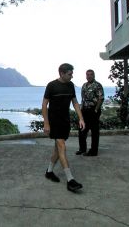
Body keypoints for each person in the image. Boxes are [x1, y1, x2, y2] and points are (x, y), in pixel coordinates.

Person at [42, 63, 85, 192]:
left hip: (65, 121)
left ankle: (49, 171)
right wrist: (46, 123)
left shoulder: (71, 85)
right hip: (54, 122)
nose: (72, 76)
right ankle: (70, 180)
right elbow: (44, 105)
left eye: (72, 74)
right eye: (69, 74)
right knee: (62, 147)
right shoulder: (51, 85)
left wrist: (81, 118)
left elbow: (75, 103)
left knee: (57, 149)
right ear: (61, 73)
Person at [76, 69, 104, 156]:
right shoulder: (84, 85)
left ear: (94, 75)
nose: (89, 76)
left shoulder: (98, 85)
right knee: (82, 129)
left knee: (94, 131)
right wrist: (81, 109)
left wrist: (96, 110)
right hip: (84, 110)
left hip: (93, 110)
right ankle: (82, 149)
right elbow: (83, 98)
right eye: (87, 75)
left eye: (91, 74)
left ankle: (93, 151)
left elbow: (101, 98)